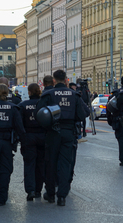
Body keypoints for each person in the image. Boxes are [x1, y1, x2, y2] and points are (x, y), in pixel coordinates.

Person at [36, 70, 89, 206]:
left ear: (53, 80)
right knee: (65, 163)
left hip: (53, 132)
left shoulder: (48, 94)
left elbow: (39, 114)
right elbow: (82, 115)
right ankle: (62, 196)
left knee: (51, 162)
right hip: (69, 132)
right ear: (66, 80)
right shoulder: (74, 95)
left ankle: (50, 194)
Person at [18, 83, 46, 201]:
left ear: (29, 92)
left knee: (29, 164)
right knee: (41, 164)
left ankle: (30, 190)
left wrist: (21, 137)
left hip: (28, 137)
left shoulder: (23, 105)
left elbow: (19, 123)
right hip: (42, 136)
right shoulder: (43, 104)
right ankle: (39, 190)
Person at [107, 75, 123, 166]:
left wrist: (110, 120)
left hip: (118, 119)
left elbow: (108, 107)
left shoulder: (116, 93)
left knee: (121, 140)